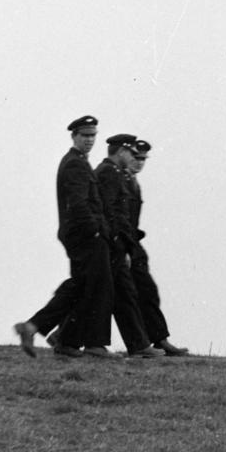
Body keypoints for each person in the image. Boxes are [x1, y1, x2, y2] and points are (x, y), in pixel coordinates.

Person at [14, 117, 115, 359]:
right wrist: (95, 230)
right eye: (84, 135)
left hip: (82, 235)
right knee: (95, 286)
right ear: (74, 137)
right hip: (85, 236)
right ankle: (82, 341)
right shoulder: (74, 164)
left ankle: (51, 334)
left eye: (93, 136)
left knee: (81, 285)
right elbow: (79, 203)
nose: (89, 140)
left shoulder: (79, 162)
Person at [94, 134, 157, 358]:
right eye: (132, 154)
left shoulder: (118, 174)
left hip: (120, 241)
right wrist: (121, 244)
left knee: (119, 293)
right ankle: (138, 344)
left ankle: (140, 344)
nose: (135, 159)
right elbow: (111, 212)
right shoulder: (110, 173)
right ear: (121, 151)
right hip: (116, 242)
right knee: (113, 292)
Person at [127, 139, 188, 356]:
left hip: (132, 244)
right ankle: (159, 340)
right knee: (111, 292)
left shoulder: (132, 181)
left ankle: (159, 339)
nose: (139, 163)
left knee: (145, 292)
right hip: (124, 246)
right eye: (135, 158)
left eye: (143, 159)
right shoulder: (118, 179)